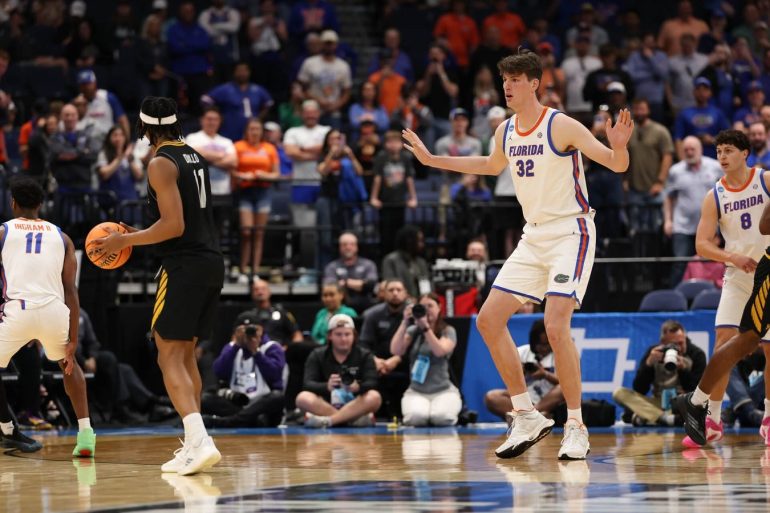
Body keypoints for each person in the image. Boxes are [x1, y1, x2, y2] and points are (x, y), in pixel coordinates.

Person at [402, 49, 634, 460]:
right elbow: (491, 166)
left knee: (555, 323)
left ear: (534, 83)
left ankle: (576, 425)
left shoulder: (561, 124)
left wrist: (618, 147)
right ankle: (526, 414)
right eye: (503, 79)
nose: (506, 86)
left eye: (514, 79)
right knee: (489, 320)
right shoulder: (505, 130)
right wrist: (432, 159)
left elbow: (615, 164)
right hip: (534, 236)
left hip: (571, 231)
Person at [93, 97, 224, 475]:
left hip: (184, 264)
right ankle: (193, 443)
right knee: (184, 355)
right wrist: (138, 234)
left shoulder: (159, 162)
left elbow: (174, 226)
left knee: (167, 354)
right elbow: (180, 222)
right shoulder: (193, 155)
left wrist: (124, 242)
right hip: (210, 260)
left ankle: (199, 441)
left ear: (144, 126)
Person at [677, 130, 770, 446]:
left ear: (745, 153)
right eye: (718, 151)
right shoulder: (713, 195)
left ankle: (768, 417)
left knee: (769, 348)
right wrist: (732, 256)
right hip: (737, 276)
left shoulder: (765, 181)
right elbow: (701, 244)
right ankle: (713, 419)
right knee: (723, 342)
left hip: (767, 275)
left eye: (729, 150)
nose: (722, 156)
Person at [0, 176, 94, 455]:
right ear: (41, 204)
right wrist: (73, 340)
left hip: (18, 310)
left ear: (12, 202)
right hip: (55, 312)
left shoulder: (3, 232)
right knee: (69, 365)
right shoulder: (62, 238)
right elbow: (71, 292)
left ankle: (7, 427)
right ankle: (86, 434)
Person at [613, 320, 705, 426]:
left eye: (681, 342)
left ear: (685, 337)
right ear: (663, 343)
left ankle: (646, 417)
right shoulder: (654, 353)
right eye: (674, 344)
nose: (679, 347)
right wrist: (648, 364)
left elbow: (697, 390)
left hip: (682, 403)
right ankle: (665, 419)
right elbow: (639, 389)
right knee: (619, 393)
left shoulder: (696, 354)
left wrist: (682, 370)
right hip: (658, 402)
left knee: (698, 408)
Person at [296, 314, 382, 428]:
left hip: (356, 403)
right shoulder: (317, 355)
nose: (343, 339)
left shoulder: (365, 355)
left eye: (347, 334)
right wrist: (327, 386)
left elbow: (372, 382)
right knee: (302, 398)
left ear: (354, 336)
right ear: (330, 336)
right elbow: (307, 383)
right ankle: (351, 420)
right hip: (326, 404)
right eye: (338, 334)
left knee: (374, 397)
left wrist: (357, 387)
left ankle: (329, 421)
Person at [390, 293, 462, 426]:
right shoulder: (413, 331)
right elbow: (395, 350)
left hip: (443, 390)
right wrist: (404, 322)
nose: (427, 310)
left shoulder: (448, 331)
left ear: (439, 307)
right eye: (423, 306)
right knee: (416, 419)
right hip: (416, 391)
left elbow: (439, 351)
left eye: (430, 306)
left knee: (442, 418)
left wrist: (425, 328)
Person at [202, 319, 285, 428]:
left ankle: (227, 422)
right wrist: (236, 346)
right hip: (239, 403)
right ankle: (250, 421)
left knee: (277, 397)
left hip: (262, 404)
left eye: (252, 329)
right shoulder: (232, 347)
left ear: (261, 329)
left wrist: (256, 352)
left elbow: (275, 376)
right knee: (205, 398)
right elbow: (219, 372)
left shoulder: (272, 347)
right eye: (244, 330)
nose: (248, 334)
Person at [663, 136, 723, 285]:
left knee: (713, 262)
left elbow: (726, 192)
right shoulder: (675, 171)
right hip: (682, 226)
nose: (689, 152)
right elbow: (668, 198)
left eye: (692, 149)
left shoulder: (715, 167)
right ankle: (676, 304)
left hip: (710, 226)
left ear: (700, 150)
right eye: (686, 150)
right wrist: (668, 220)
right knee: (680, 263)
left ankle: (712, 299)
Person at [484, 320, 564, 422]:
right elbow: (510, 383)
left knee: (563, 389)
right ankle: (534, 418)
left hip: (548, 402)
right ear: (533, 342)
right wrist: (520, 373)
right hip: (525, 399)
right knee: (492, 397)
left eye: (546, 344)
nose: (544, 348)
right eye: (540, 345)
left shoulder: (560, 354)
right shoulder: (520, 352)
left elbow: (566, 383)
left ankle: (531, 416)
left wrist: (545, 374)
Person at [232, 118, 280, 278]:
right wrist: (242, 175)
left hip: (263, 191)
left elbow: (276, 174)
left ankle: (255, 270)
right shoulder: (238, 146)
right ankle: (243, 269)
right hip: (245, 191)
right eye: (251, 129)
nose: (254, 132)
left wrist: (263, 175)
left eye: (257, 129)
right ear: (247, 131)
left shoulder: (269, 148)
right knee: (246, 231)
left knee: (259, 233)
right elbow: (232, 170)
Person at [359, 279, 410, 419]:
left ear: (406, 293)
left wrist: (397, 359)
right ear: (383, 294)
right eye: (391, 290)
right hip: (377, 364)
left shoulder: (413, 314)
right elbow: (364, 344)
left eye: (399, 290)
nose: (395, 293)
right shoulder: (372, 314)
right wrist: (375, 360)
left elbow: (416, 343)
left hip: (405, 361)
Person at [323, 232, 379, 314]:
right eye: (344, 245)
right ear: (339, 247)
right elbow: (329, 287)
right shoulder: (331, 267)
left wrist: (345, 282)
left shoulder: (368, 264)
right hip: (339, 309)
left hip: (366, 307)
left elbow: (371, 285)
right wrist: (360, 285)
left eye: (352, 244)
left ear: (357, 247)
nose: (348, 247)